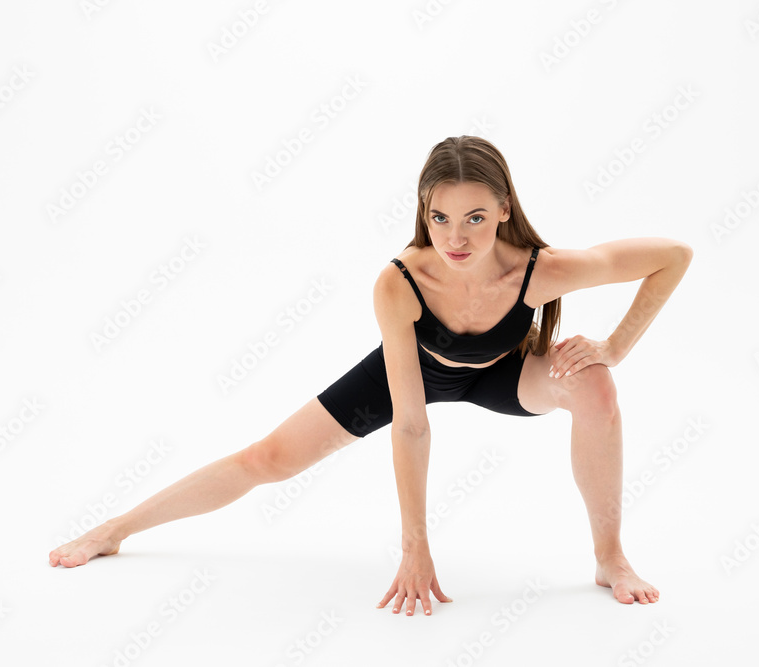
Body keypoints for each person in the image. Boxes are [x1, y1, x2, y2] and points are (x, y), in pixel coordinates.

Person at [48, 135, 692, 616]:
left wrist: (614, 346)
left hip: (506, 375)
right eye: (440, 218)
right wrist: (416, 544)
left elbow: (672, 257)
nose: (455, 237)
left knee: (595, 388)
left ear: (502, 209)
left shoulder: (540, 269)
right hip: (413, 373)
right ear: (423, 211)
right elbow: (411, 425)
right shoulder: (402, 282)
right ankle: (113, 530)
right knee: (267, 457)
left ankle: (610, 557)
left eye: (473, 217)